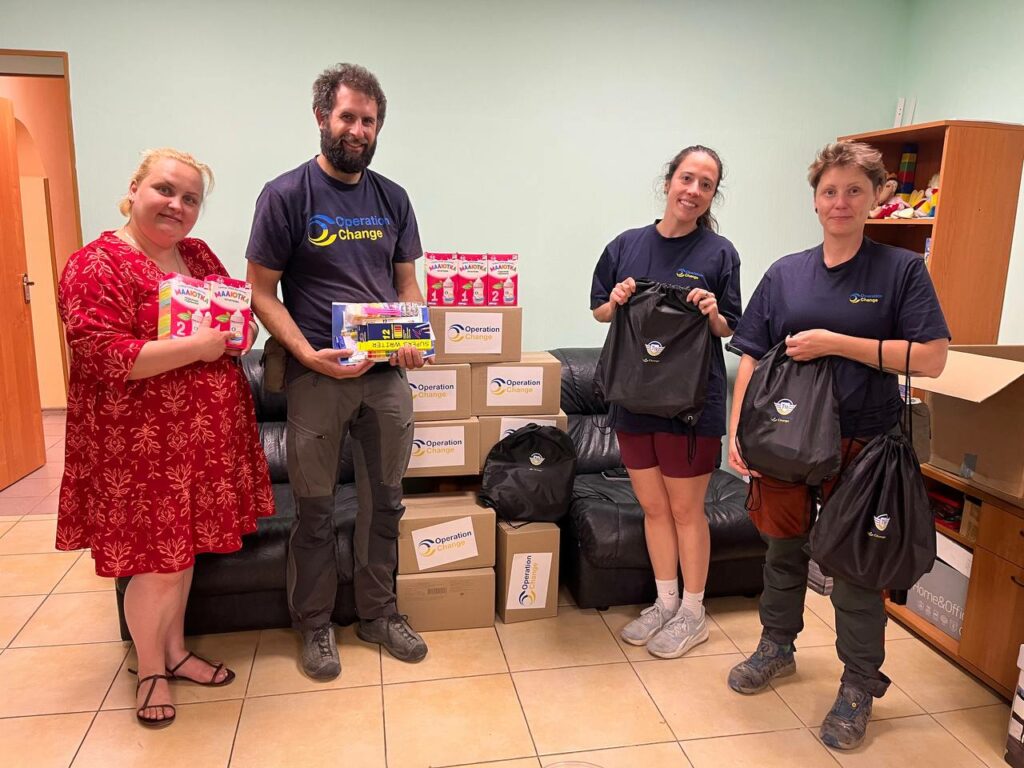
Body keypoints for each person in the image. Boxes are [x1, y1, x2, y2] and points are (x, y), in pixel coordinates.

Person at [726, 141, 949, 750]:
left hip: (865, 443)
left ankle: (857, 685)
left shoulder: (901, 271)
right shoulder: (786, 273)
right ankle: (777, 646)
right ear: (816, 200)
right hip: (784, 437)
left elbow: (931, 358)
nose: (841, 202)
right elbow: (752, 355)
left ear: (878, 196)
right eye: (830, 191)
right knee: (781, 551)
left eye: (855, 190)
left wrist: (837, 343)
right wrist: (738, 429)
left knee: (856, 569)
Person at [56, 148, 275, 728]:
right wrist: (198, 346)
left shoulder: (196, 255)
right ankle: (150, 668)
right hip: (140, 449)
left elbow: (234, 313)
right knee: (154, 564)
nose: (177, 205)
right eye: (164, 190)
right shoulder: (95, 265)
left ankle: (175, 652)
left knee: (180, 558)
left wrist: (239, 328)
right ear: (134, 189)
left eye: (190, 198)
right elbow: (103, 355)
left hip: (200, 441)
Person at [246, 63, 427, 681]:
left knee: (386, 505)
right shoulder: (285, 195)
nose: (358, 130)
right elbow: (261, 291)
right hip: (317, 377)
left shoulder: (393, 198)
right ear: (323, 117)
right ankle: (315, 625)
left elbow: (406, 282)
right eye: (348, 117)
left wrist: (413, 332)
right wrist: (304, 353)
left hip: (384, 379)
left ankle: (379, 613)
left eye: (368, 121)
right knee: (316, 510)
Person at [590, 145, 742, 658]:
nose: (693, 191)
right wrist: (615, 300)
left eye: (706, 184)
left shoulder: (720, 254)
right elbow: (599, 311)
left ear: (713, 195)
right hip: (634, 395)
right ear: (669, 181)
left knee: (685, 510)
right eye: (686, 178)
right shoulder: (626, 245)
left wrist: (712, 311)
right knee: (653, 508)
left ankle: (694, 613)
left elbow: (730, 327)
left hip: (690, 404)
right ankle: (665, 602)